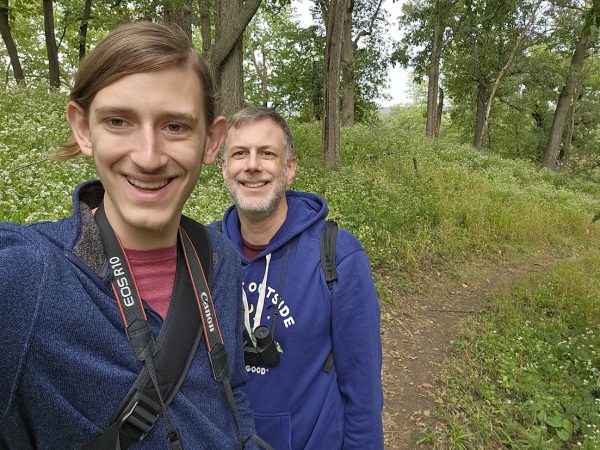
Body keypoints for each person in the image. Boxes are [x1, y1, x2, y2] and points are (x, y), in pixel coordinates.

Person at [0, 22, 261, 449]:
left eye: (175, 126)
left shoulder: (219, 259)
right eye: (118, 121)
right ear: (83, 129)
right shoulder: (26, 277)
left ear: (212, 142)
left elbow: (230, 389)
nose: (148, 156)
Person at [215, 107, 384, 449]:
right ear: (224, 169)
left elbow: (362, 387)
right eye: (239, 154)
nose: (252, 165)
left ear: (289, 169)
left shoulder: (337, 255)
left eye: (267, 153)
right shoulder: (204, 252)